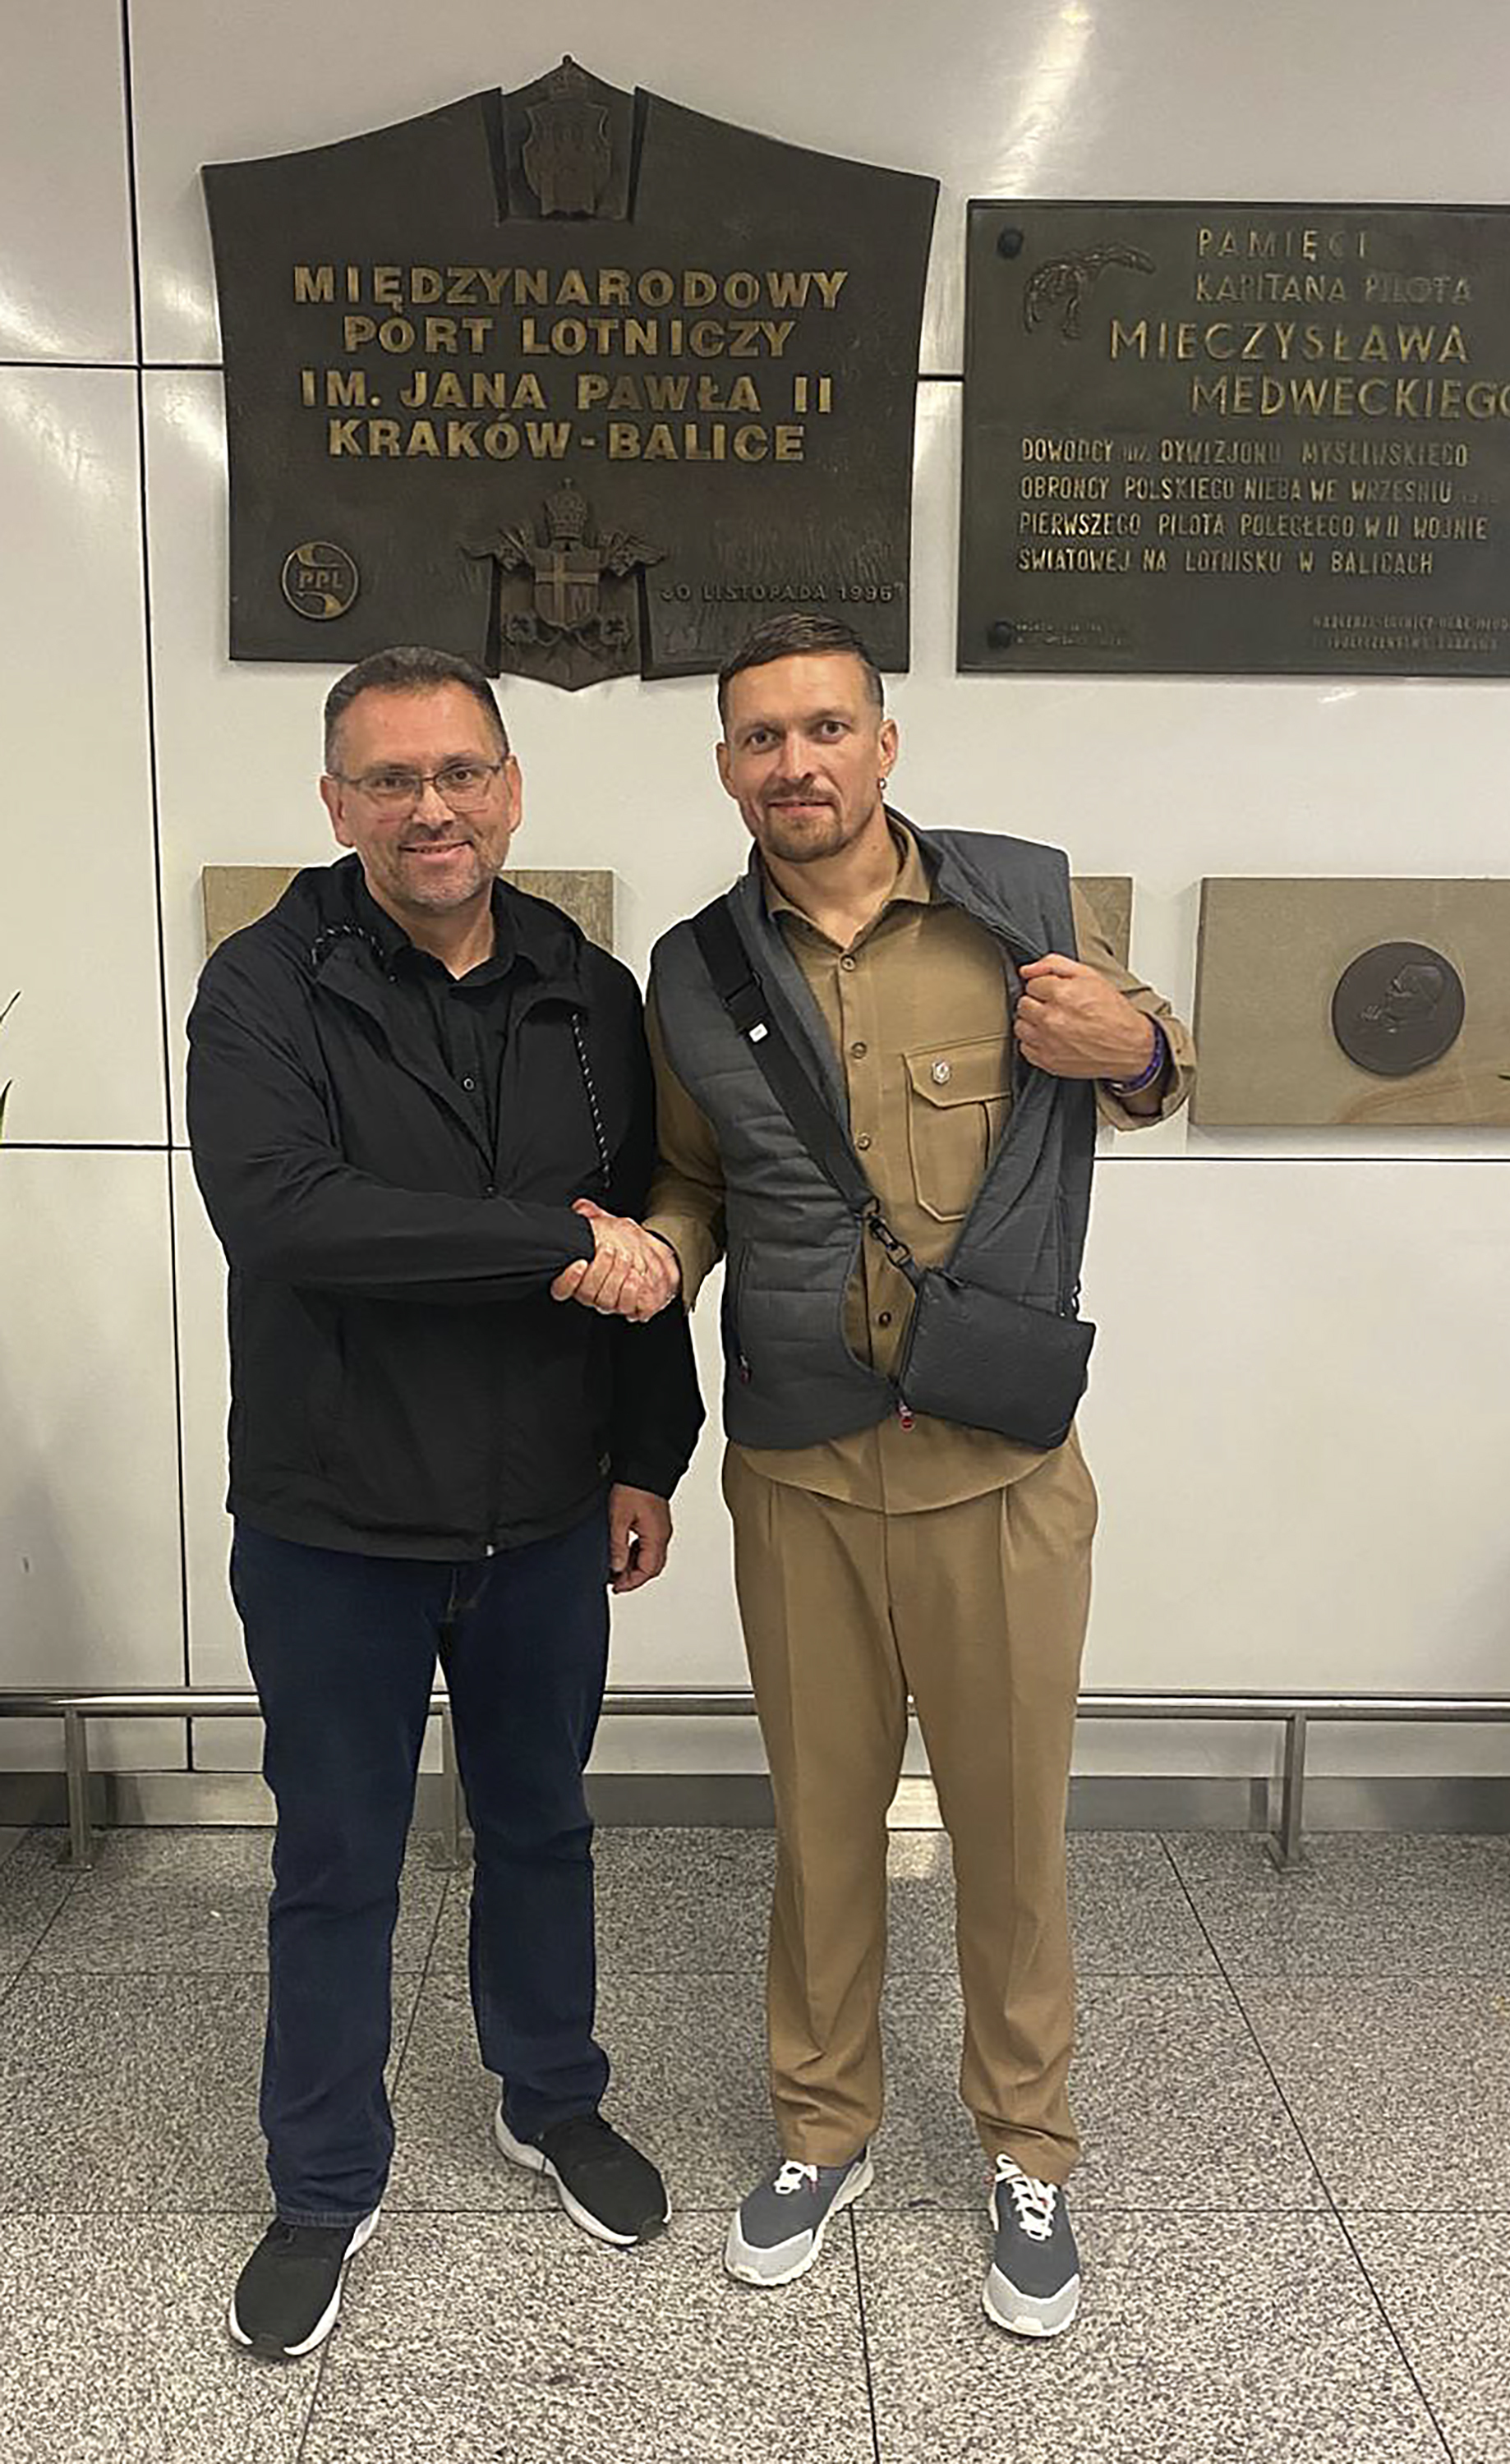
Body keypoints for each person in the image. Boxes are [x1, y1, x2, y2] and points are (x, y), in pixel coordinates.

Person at [555, 612, 1194, 2339]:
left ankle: (1027, 2148)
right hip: (809, 1482)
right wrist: (649, 1253)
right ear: (726, 769)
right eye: (762, 739)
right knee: (824, 1832)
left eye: (827, 728)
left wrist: (1127, 1051)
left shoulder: (1024, 914)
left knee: (1010, 1839)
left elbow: (1164, 1068)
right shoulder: (694, 972)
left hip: (999, 1478)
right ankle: (821, 2129)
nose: (797, 764)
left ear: (884, 745)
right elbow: (696, 1190)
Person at [187, 645, 701, 2361]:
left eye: (460, 772)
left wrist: (646, 1454)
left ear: (511, 789)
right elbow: (294, 1218)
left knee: (543, 1825)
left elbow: (644, 1230)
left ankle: (550, 2095)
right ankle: (324, 2178)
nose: (431, 808)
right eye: (390, 779)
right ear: (337, 804)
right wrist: (549, 1242)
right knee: (338, 1862)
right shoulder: (266, 986)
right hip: (334, 1519)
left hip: (547, 1509)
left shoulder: (585, 985)